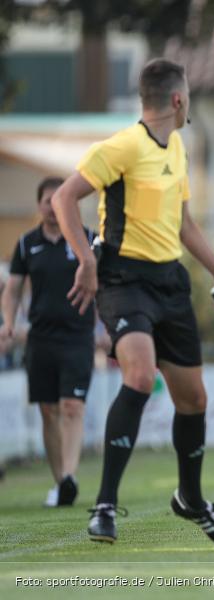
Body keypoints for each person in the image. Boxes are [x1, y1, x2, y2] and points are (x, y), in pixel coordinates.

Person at [51, 58, 214, 548]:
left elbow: (183, 222)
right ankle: (105, 504)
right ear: (178, 100)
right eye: (189, 97)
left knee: (193, 399)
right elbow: (63, 199)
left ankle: (190, 500)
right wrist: (86, 261)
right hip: (121, 278)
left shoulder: (176, 147)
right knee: (139, 375)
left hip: (168, 282)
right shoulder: (121, 147)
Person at [0, 176, 96, 507]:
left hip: (78, 336)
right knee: (48, 411)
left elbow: (108, 284)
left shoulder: (88, 240)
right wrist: (9, 323)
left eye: (60, 201)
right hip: (41, 338)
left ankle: (69, 475)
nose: (54, 208)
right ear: (39, 205)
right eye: (47, 202)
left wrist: (109, 326)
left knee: (72, 405)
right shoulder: (27, 244)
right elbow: (12, 289)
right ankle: (60, 483)